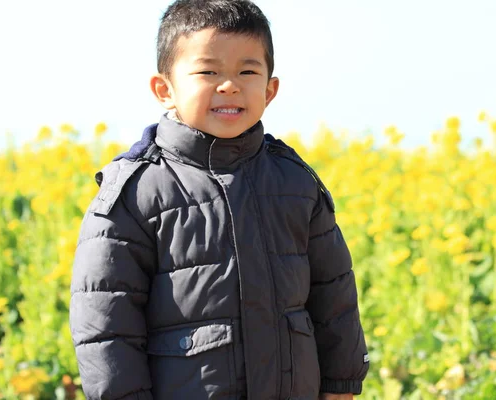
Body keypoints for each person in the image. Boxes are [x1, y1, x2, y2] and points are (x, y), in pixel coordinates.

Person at [68, 0, 369, 399]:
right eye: (208, 71)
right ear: (165, 89)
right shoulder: (136, 191)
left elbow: (335, 297)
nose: (229, 85)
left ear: (270, 89)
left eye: (247, 71)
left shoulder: (295, 181)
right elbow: (106, 326)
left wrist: (341, 384)